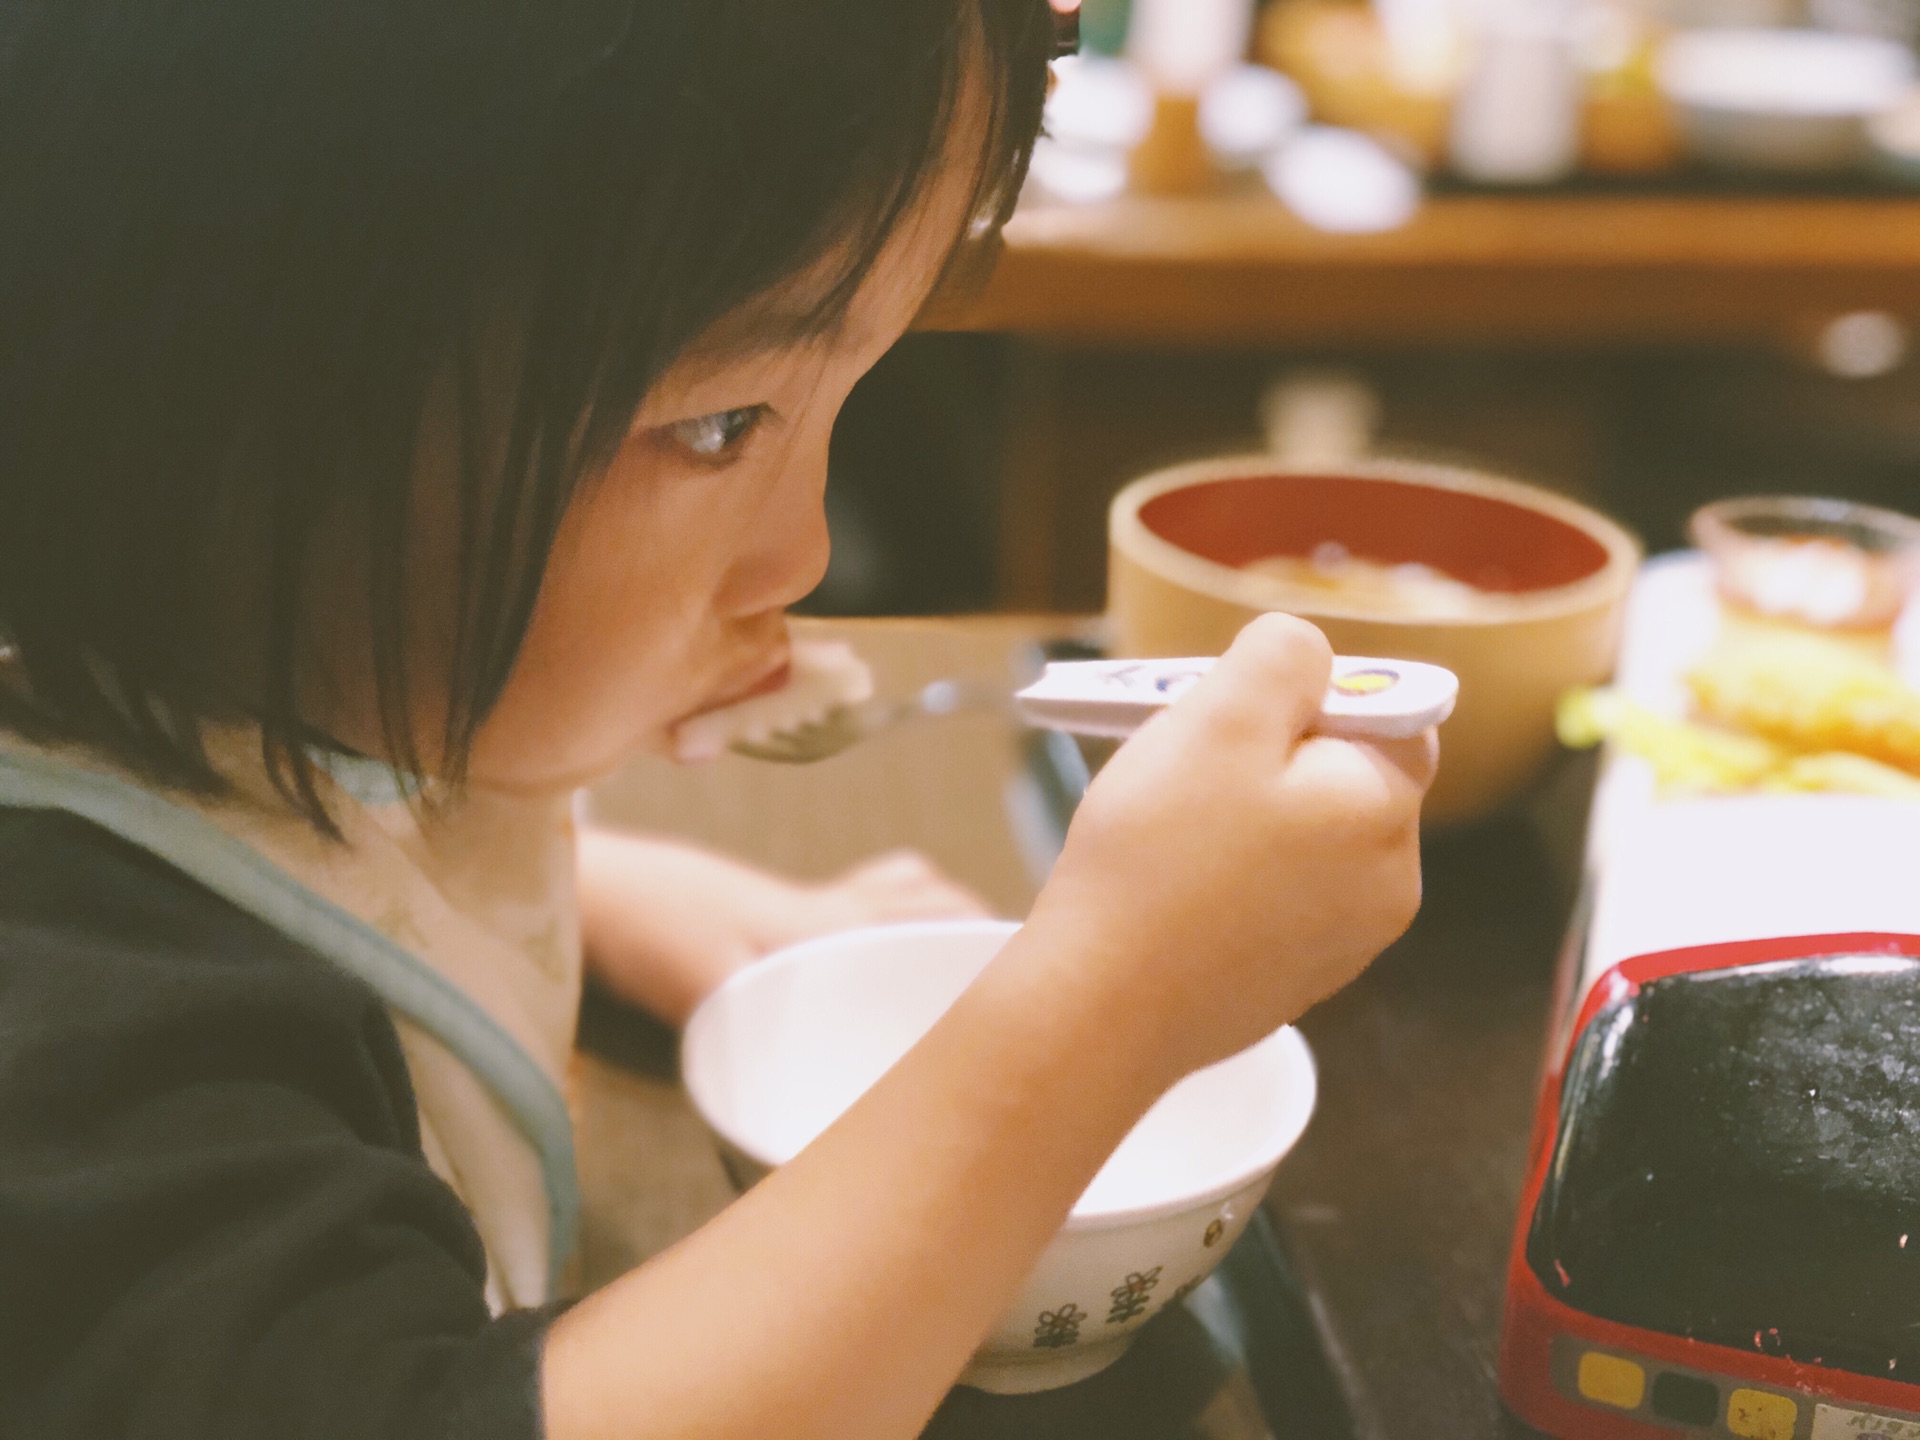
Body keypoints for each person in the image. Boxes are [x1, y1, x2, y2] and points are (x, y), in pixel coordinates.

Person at [0, 2, 1436, 1437]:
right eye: (721, 424)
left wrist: (622, 887)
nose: (802, 558)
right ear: (219, 387)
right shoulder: (67, 1045)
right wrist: (1118, 994)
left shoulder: (212, 669)